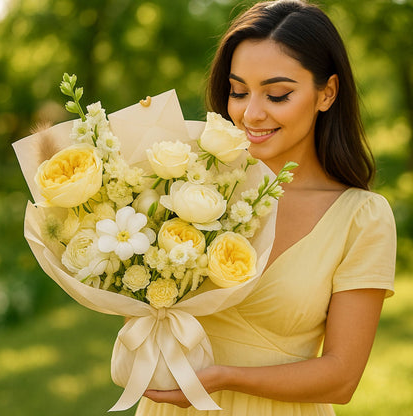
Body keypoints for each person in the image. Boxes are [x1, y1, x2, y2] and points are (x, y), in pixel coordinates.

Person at [139, 0, 397, 414]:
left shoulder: (361, 217)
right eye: (238, 91)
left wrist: (223, 378)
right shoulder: (189, 184)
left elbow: (342, 377)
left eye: (277, 95)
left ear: (327, 93)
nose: (250, 114)